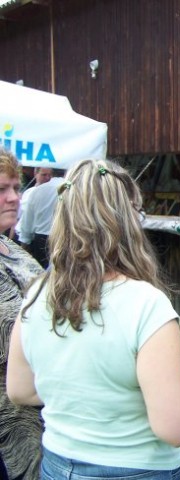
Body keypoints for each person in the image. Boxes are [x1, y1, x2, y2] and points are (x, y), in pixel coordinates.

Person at [6, 159, 180, 479]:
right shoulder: (147, 304)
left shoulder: (36, 294)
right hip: (138, 468)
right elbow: (175, 427)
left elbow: (20, 390)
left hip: (57, 464)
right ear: (128, 222)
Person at [0, 148, 45, 480]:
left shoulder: (12, 248)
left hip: (38, 407)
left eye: (16, 188)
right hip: (8, 422)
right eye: (1, 190)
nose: (14, 198)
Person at [17, 168, 65, 268]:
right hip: (63, 238)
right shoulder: (73, 189)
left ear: (52, 173)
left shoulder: (38, 190)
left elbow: (27, 220)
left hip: (41, 240)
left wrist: (25, 242)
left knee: (40, 275)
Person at [15, 167, 53, 243]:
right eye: (44, 175)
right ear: (36, 174)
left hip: (39, 236)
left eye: (50, 175)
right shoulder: (29, 192)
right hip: (22, 236)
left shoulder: (54, 193)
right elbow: (20, 217)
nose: (47, 178)